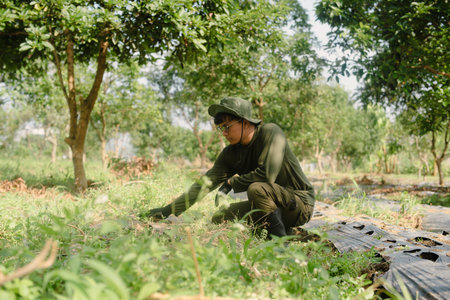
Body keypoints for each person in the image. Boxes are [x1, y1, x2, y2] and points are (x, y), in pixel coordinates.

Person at [143, 96, 315, 237]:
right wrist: (167, 212)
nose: (224, 133)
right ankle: (283, 229)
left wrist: (232, 183)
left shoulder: (270, 132)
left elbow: (267, 176)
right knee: (221, 217)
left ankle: (280, 244)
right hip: (269, 204)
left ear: (245, 122)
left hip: (298, 203)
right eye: (220, 129)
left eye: (227, 127)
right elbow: (203, 185)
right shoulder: (230, 154)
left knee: (256, 189)